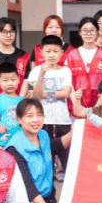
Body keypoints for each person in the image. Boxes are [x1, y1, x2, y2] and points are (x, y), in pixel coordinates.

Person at [5, 99, 72, 203]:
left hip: (46, 197)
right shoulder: (14, 148)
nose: (35, 120)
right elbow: (27, 185)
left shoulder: (43, 135)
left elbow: (56, 145)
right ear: (19, 119)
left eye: (39, 115)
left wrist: (74, 132)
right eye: (30, 116)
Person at [27, 35, 73, 177]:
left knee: (67, 156)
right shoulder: (36, 71)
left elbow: (65, 93)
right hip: (43, 120)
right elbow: (36, 95)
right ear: (41, 53)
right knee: (45, 156)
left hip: (62, 119)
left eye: (55, 51)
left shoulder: (65, 70)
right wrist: (42, 74)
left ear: (61, 53)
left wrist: (44, 94)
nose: (52, 55)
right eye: (48, 51)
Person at [66, 17, 102, 115]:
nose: (89, 33)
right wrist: (77, 104)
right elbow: (68, 82)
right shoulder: (71, 55)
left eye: (92, 30)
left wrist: (97, 106)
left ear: (97, 32)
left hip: (100, 107)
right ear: (80, 32)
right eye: (85, 30)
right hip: (76, 108)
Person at [0, 63, 24, 148]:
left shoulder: (23, 101)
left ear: (19, 80)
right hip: (0, 142)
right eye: (5, 80)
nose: (10, 83)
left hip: (19, 143)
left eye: (13, 80)